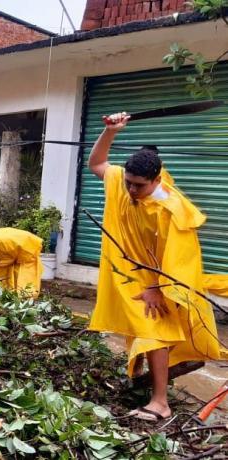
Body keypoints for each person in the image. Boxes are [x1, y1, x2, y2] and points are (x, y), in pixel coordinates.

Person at [87, 112, 225, 421]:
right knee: (142, 332)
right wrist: (111, 131)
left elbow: (180, 259)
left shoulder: (170, 210)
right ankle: (146, 380)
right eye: (128, 183)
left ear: (157, 180)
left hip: (161, 282)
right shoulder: (124, 184)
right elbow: (96, 164)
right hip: (130, 276)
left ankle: (160, 402)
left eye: (139, 186)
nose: (131, 191)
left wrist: (157, 289)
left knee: (154, 333)